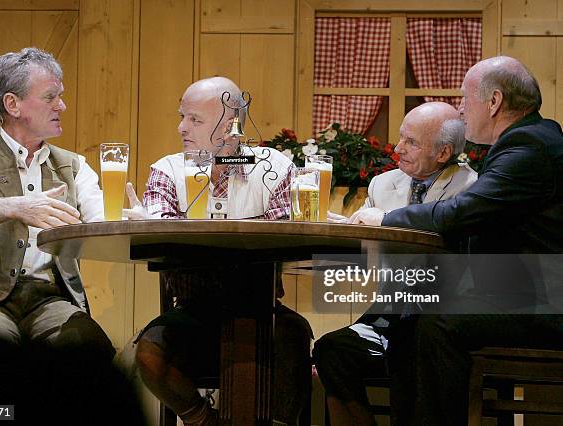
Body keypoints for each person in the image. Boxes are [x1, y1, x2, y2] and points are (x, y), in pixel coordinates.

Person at [355, 56, 563, 425]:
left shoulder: (528, 147)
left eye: (465, 98)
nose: (461, 108)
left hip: (546, 304)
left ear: (494, 101)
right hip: (526, 293)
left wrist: (385, 217)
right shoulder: (529, 140)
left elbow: (460, 213)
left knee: (431, 320)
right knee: (413, 315)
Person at [123, 77, 312, 426]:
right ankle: (206, 422)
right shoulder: (168, 170)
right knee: (148, 353)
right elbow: (161, 238)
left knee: (295, 335)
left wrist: (182, 231)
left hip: (263, 308)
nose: (181, 128)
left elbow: (285, 240)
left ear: (230, 125)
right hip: (194, 311)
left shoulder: (276, 168)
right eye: (182, 117)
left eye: (194, 119)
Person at [314, 102, 477, 426]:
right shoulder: (383, 184)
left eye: (411, 143)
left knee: (409, 342)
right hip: (383, 312)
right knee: (331, 349)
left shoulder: (467, 189)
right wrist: (345, 232)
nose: (397, 149)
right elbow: (370, 260)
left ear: (443, 153)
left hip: (431, 316)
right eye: (400, 138)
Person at [0, 48, 114, 362]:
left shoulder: (73, 165)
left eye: (60, 96)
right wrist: (8, 207)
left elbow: (101, 224)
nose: (62, 106)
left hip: (49, 298)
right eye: (50, 97)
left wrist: (128, 219)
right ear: (12, 104)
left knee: (88, 349)